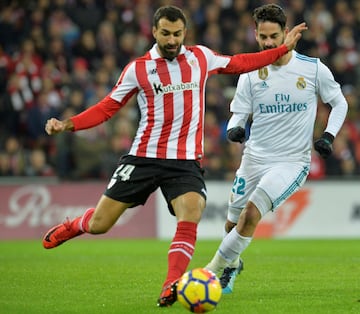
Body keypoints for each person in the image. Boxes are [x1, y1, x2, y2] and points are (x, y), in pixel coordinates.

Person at [42, 5, 306, 308]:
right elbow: (107, 107)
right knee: (101, 224)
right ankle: (74, 225)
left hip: (184, 162)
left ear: (185, 33)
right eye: (165, 33)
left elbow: (241, 62)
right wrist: (67, 124)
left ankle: (171, 284)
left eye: (177, 34)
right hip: (143, 157)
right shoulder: (138, 69)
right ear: (154, 32)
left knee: (192, 209)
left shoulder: (200, 59)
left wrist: (282, 50)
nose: (171, 40)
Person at [205, 3, 348, 295]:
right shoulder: (251, 72)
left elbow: (340, 102)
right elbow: (240, 111)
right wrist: (236, 126)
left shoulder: (312, 68)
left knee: (251, 214)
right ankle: (233, 265)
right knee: (233, 222)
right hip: (254, 158)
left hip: (291, 162)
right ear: (255, 35)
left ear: (285, 33)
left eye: (273, 36)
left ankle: (209, 271)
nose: (268, 43)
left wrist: (329, 135)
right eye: (262, 37)